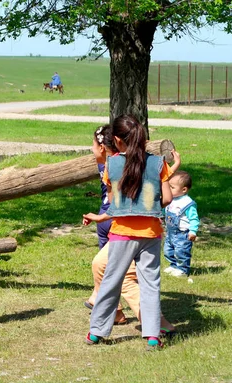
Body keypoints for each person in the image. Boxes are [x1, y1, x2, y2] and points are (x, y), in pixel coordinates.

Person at [82, 115, 173, 351]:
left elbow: (113, 202)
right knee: (150, 283)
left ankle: (96, 332)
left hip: (122, 233)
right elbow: (167, 198)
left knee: (111, 281)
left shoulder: (111, 165)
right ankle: (152, 335)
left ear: (116, 140)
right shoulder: (158, 163)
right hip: (151, 232)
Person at [163, 170, 199, 277]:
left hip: (182, 233)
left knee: (181, 251)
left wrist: (193, 231)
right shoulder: (170, 199)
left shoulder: (187, 203)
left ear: (184, 189)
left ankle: (183, 269)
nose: (169, 189)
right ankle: (174, 265)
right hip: (170, 232)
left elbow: (194, 219)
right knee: (168, 250)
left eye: (172, 188)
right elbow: (164, 209)